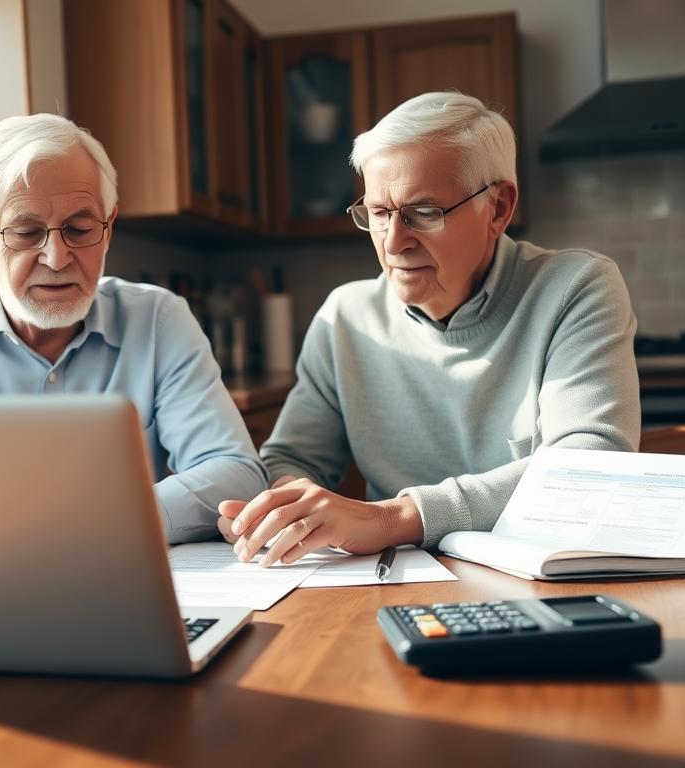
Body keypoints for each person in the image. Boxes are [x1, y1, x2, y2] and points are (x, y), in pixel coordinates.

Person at [220, 92, 640, 565]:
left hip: (539, 573)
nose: (395, 242)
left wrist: (394, 518)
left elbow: (589, 466)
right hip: (387, 577)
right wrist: (287, 505)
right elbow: (291, 457)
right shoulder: (345, 316)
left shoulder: (575, 288)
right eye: (378, 213)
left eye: (425, 212)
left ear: (498, 208)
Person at [0, 113, 267, 543]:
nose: (57, 258)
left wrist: (104, 523)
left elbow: (237, 474)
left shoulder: (157, 321)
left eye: (79, 229)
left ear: (108, 229)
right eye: (25, 232)